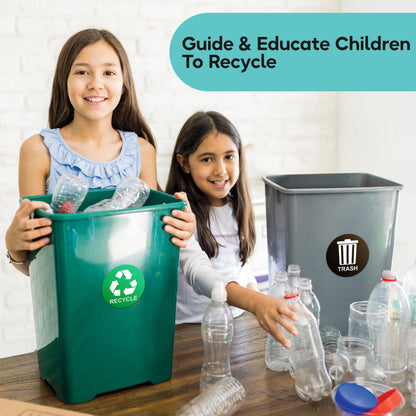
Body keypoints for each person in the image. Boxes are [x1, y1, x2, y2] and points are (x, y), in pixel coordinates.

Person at [5, 28, 194, 276]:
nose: (96, 83)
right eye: (82, 72)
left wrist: (182, 229)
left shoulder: (141, 151)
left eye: (109, 72)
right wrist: (14, 247)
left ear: (124, 84)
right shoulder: (38, 150)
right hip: (72, 302)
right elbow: (38, 264)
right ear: (65, 80)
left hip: (132, 293)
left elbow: (154, 247)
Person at [166, 111, 297, 348]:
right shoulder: (180, 214)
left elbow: (238, 265)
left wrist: (255, 295)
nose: (221, 170)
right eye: (207, 159)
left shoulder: (238, 205)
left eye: (229, 156)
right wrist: (254, 301)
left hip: (235, 325)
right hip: (188, 331)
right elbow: (199, 274)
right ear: (184, 164)